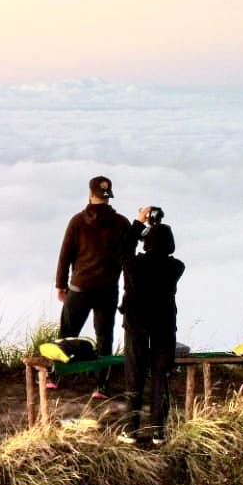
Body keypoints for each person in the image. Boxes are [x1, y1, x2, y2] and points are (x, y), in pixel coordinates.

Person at [117, 208, 185, 445]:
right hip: (164, 325)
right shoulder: (177, 267)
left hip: (136, 324)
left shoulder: (134, 264)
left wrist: (138, 223)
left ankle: (130, 430)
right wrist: (155, 228)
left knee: (134, 376)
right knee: (160, 377)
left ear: (147, 243)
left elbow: (124, 248)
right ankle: (158, 432)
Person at [55, 176, 127, 398]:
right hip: (107, 288)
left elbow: (65, 254)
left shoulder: (77, 221)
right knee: (104, 336)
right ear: (108, 196)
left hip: (80, 287)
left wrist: (60, 284)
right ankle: (101, 385)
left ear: (90, 194)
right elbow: (128, 258)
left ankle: (55, 375)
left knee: (66, 334)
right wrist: (128, 288)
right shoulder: (121, 223)